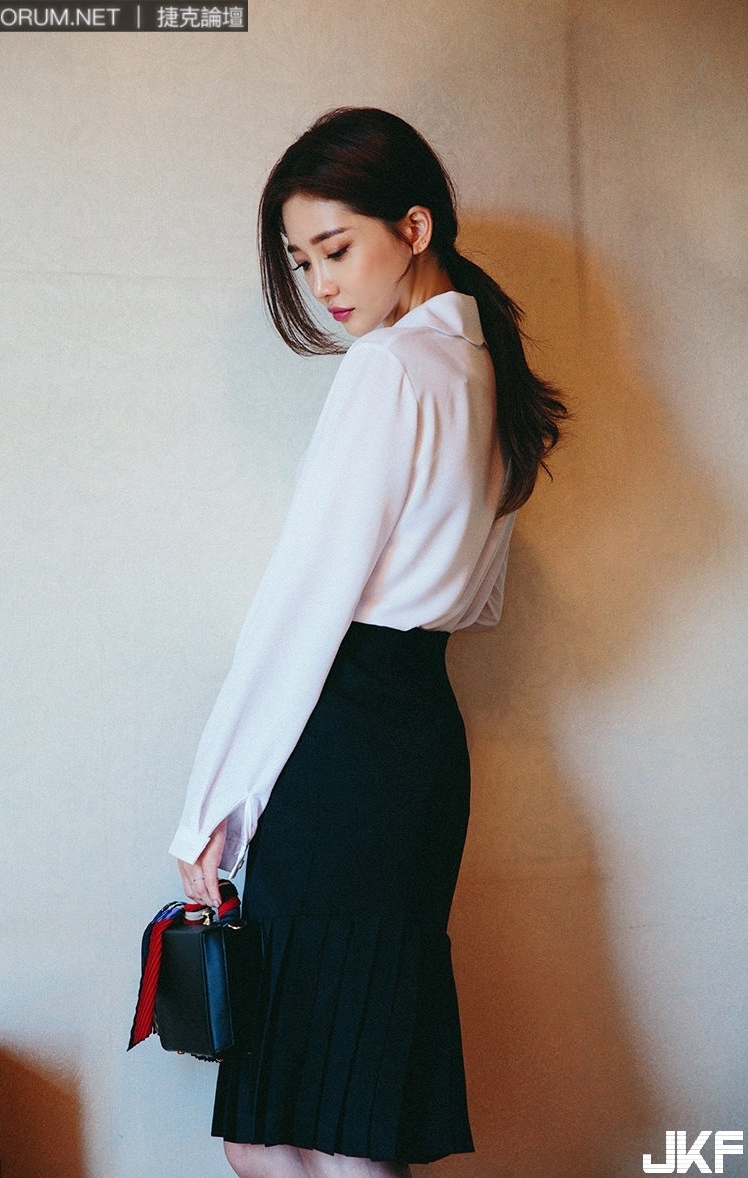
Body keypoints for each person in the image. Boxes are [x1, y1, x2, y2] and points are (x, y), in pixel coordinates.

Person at [169, 107, 567, 1178]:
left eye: (335, 249)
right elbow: (474, 599)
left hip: (343, 748)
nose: (322, 285)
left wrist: (212, 803)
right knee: (341, 1121)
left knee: (283, 1133)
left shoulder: (390, 367)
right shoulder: (484, 364)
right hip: (416, 740)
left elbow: (300, 607)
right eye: (302, 262)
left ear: (413, 226)